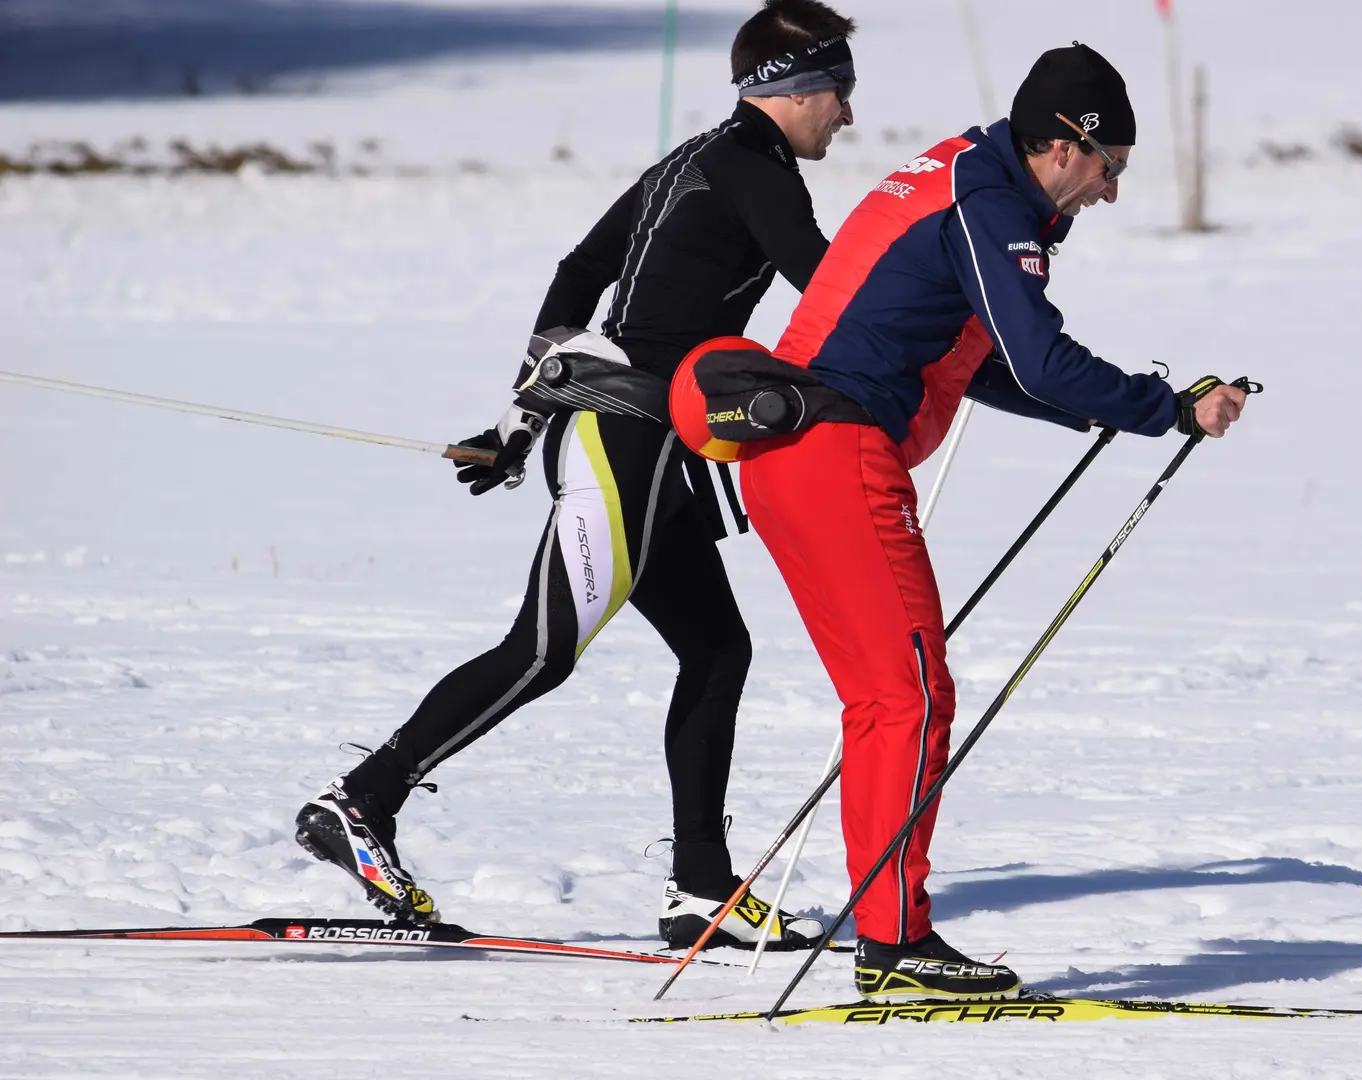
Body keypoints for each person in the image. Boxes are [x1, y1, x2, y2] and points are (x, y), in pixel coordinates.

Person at [293, 0, 861, 951]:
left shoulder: (692, 159)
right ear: (794, 91)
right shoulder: (755, 171)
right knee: (543, 650)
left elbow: (576, 272)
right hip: (622, 446)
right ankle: (360, 801)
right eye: (839, 93)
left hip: (643, 452)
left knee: (718, 652)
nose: (846, 115)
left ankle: (699, 889)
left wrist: (524, 416)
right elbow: (832, 287)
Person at [735, 43, 1248, 1001]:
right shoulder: (993, 202)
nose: (1112, 191)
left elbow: (978, 362)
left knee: (895, 700)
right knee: (913, 699)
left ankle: (889, 935)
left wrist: (1132, 408)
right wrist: (1163, 406)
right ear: (1063, 146)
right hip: (836, 454)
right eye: (1112, 166)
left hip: (797, 456)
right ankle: (893, 945)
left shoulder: (968, 172)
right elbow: (1041, 360)